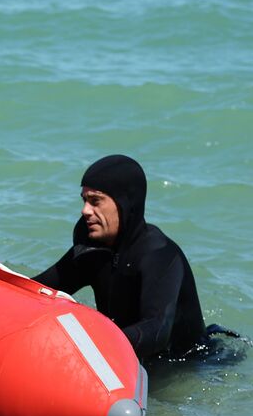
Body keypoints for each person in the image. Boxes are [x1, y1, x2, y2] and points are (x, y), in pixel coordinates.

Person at [33, 154, 208, 362]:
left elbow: (157, 330)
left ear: (125, 203)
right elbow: (38, 291)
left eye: (95, 201)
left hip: (190, 364)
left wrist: (94, 346)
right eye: (85, 200)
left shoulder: (159, 255)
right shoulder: (92, 249)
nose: (85, 210)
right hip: (123, 353)